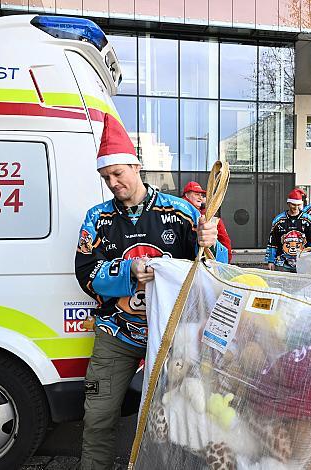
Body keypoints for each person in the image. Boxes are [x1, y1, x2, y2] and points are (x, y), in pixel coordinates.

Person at [75, 114, 227, 470]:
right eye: (106, 177)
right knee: (97, 418)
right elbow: (85, 274)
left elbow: (212, 269)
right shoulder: (97, 219)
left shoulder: (180, 212)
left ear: (136, 166)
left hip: (174, 336)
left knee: (183, 417)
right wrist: (128, 271)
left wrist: (211, 243)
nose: (113, 183)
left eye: (118, 173)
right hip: (118, 332)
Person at [265, 189, 311, 272]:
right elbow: (272, 242)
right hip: (282, 263)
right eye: (293, 204)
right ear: (288, 203)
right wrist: (270, 260)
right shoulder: (279, 220)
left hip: (303, 263)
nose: (296, 207)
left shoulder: (309, 220)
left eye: (298, 205)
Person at [182, 180, 232, 262]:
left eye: (201, 195)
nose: (200, 197)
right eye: (196, 194)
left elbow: (226, 245)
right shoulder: (176, 213)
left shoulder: (212, 219)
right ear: (186, 195)